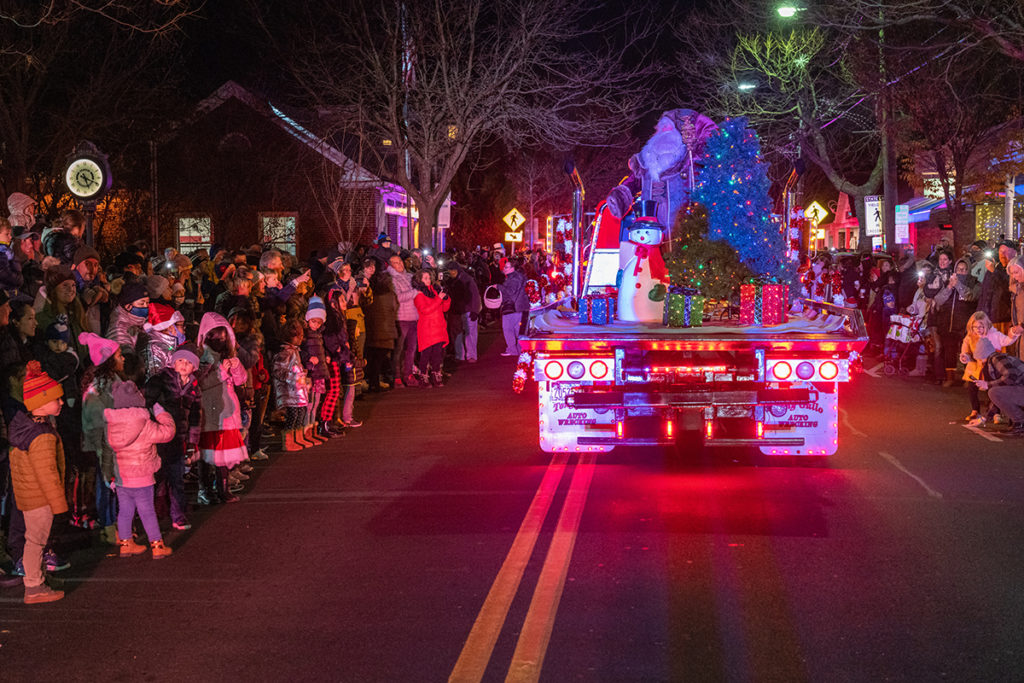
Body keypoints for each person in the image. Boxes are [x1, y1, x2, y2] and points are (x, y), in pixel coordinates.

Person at [8, 361, 67, 603]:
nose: (61, 403)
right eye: (57, 399)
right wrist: (59, 504)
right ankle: (34, 586)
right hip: (40, 499)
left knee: (36, 539)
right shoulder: (40, 436)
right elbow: (47, 474)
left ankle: (40, 577)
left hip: (29, 496)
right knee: (36, 541)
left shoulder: (26, 429)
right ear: (40, 403)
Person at [104, 381, 176, 558]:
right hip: (142, 475)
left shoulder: (111, 425)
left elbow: (107, 450)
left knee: (125, 511)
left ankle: (126, 543)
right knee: (147, 511)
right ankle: (157, 546)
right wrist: (161, 413)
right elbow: (167, 433)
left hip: (122, 477)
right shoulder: (144, 424)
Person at [145, 345, 202, 530]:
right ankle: (152, 515)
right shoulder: (160, 380)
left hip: (178, 438)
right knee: (156, 477)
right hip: (159, 437)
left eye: (188, 362)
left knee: (176, 478)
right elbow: (146, 403)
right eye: (180, 360)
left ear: (194, 367)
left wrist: (193, 442)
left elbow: (195, 416)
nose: (184, 365)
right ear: (173, 362)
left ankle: (178, 515)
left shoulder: (194, 388)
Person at [196, 313, 249, 503]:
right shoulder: (202, 356)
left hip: (227, 411)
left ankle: (223, 489)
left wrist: (235, 368)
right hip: (210, 411)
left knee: (223, 456)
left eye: (223, 336)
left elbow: (241, 379)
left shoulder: (228, 354)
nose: (220, 340)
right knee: (207, 454)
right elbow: (200, 383)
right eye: (216, 336)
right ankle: (205, 490)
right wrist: (221, 371)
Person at [80, 332, 125, 544]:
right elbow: (95, 419)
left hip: (115, 441)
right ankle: (108, 526)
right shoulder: (98, 388)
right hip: (105, 443)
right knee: (107, 484)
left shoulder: (113, 382)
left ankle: (116, 523)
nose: (123, 359)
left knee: (114, 483)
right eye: (119, 356)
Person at [961, 311, 1019, 424]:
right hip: (976, 367)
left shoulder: (994, 335)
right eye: (975, 327)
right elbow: (965, 350)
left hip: (992, 368)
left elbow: (1007, 341)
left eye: (981, 326)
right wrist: (965, 357)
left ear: (986, 325)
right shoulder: (970, 337)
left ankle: (996, 413)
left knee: (993, 388)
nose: (978, 329)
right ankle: (976, 410)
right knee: (972, 387)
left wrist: (1014, 333)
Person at [932, 257, 978, 387]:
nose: (960, 272)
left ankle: (968, 378)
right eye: (958, 269)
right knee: (949, 351)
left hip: (965, 323)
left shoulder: (973, 282)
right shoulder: (948, 282)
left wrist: (958, 285)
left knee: (967, 351)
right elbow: (938, 299)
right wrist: (949, 287)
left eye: (964, 270)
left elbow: (970, 296)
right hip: (948, 323)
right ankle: (950, 377)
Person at [302, 296, 340, 441]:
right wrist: (307, 359)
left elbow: (321, 349)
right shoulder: (305, 335)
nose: (316, 325)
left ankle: (312, 431)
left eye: (319, 322)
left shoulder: (318, 334)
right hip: (310, 372)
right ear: (308, 319)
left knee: (316, 402)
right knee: (309, 403)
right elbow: (301, 350)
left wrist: (325, 356)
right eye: (313, 321)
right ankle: (306, 431)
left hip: (319, 372)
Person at [273, 319, 312, 451]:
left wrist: (302, 373)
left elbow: (294, 368)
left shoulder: (294, 351)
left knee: (301, 413)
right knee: (293, 415)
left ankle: (297, 438)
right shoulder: (285, 353)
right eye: (298, 336)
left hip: (297, 391)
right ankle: (288, 441)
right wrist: (295, 378)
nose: (301, 339)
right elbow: (278, 371)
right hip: (290, 391)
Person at [974, 337, 1024, 436]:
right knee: (995, 391)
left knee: (993, 392)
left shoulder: (996, 358)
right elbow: (1000, 395)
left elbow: (1011, 376)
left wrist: (988, 384)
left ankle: (1021, 423)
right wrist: (984, 418)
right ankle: (1019, 422)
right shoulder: (994, 361)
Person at [412, 269, 451, 387]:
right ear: (419, 280)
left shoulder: (434, 291)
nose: (428, 280)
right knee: (426, 354)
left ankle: (436, 375)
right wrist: (439, 299)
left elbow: (444, 309)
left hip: (438, 327)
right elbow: (425, 310)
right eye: (425, 278)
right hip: (427, 328)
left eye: (429, 278)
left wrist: (446, 299)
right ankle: (424, 376)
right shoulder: (418, 295)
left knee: (437, 354)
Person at [363, 258, 397, 391]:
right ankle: (376, 382)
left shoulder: (372, 292)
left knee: (373, 357)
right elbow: (394, 308)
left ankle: (372, 381)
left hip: (372, 328)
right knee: (380, 357)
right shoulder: (389, 294)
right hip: (385, 329)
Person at [388, 254, 420, 387]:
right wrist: (414, 292)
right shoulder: (391, 279)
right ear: (391, 266)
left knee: (412, 348)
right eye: (395, 263)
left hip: (414, 317)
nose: (399, 264)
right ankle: (396, 376)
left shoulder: (410, 276)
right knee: (399, 349)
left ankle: (408, 374)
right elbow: (398, 297)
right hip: (401, 318)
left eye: (400, 261)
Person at [447, 260, 481, 363]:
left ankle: (471, 355)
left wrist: (475, 310)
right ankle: (460, 355)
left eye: (452, 271)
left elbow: (475, 295)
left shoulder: (467, 279)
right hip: (457, 310)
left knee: (470, 333)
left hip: (468, 310)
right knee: (459, 334)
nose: (451, 273)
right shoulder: (453, 280)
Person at [496, 258, 529, 356]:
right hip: (518, 306)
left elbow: (510, 291)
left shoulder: (514, 278)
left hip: (512, 306)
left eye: (506, 267)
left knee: (508, 328)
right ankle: (519, 350)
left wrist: (498, 287)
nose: (504, 269)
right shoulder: (518, 276)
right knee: (516, 329)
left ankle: (512, 350)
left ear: (513, 268)